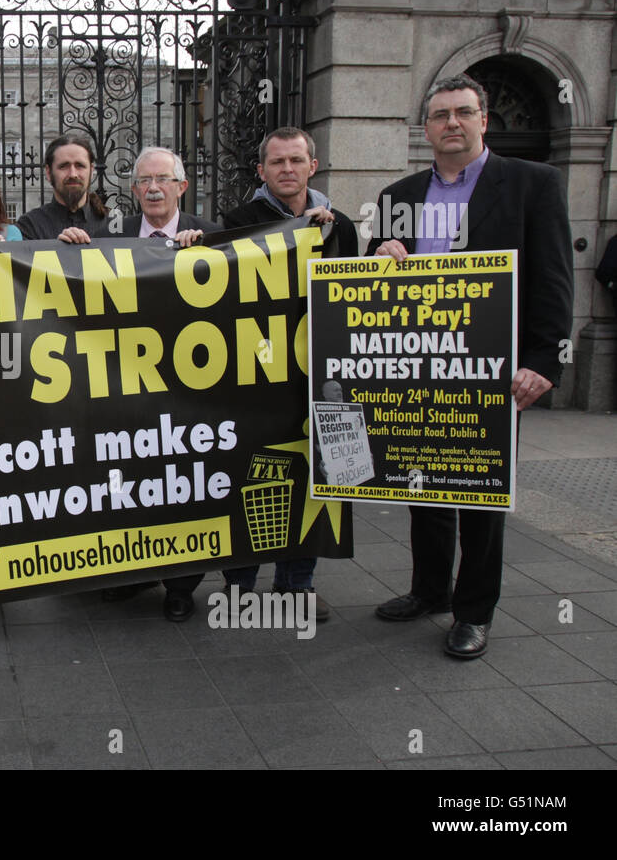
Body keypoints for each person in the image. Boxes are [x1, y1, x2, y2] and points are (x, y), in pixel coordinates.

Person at [368, 74, 573, 659]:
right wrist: (380, 252)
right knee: (424, 484)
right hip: (417, 366)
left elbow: (554, 280)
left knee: (481, 491)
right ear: (426, 128)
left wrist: (544, 362)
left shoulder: (534, 183)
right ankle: (429, 590)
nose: (451, 123)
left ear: (483, 119)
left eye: (463, 112)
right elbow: (371, 282)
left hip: (494, 368)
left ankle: (474, 610)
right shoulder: (399, 196)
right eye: (440, 115)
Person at [218, 126, 360, 623]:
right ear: (261, 170)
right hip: (257, 375)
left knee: (314, 477)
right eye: (277, 162)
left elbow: (352, 294)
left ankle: (297, 584)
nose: (287, 169)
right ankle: (239, 583)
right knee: (250, 475)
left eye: (296, 160)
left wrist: (333, 236)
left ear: (312, 166)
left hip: (319, 376)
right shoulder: (238, 221)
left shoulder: (339, 223)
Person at [90, 147, 228, 621]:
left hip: (190, 387)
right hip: (127, 384)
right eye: (144, 180)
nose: (153, 187)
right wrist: (67, 243)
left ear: (181, 186)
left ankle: (181, 585)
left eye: (163, 179)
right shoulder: (108, 234)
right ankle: (136, 574)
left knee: (182, 481)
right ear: (132, 191)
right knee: (134, 482)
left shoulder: (210, 234)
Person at [15, 133, 107, 241]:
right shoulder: (30, 226)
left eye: (80, 166)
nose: (73, 174)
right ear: (49, 173)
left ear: (91, 171)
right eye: (64, 166)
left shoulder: (114, 224)